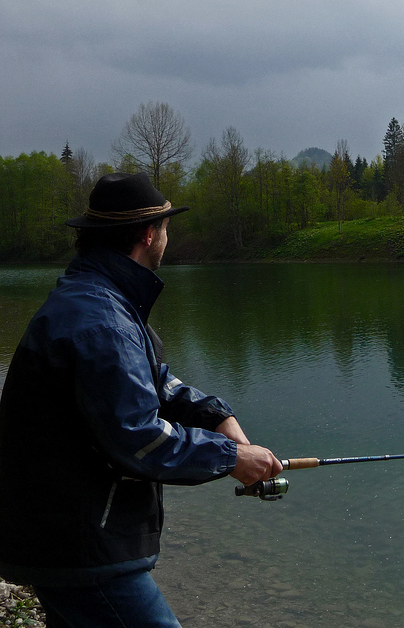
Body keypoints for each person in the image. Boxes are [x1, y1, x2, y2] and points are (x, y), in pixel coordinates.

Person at [0, 172, 283, 627]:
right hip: (82, 547)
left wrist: (216, 416)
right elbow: (139, 437)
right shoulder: (102, 321)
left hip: (61, 538)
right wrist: (230, 457)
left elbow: (153, 382)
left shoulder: (98, 300)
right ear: (149, 235)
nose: (167, 238)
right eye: (166, 228)